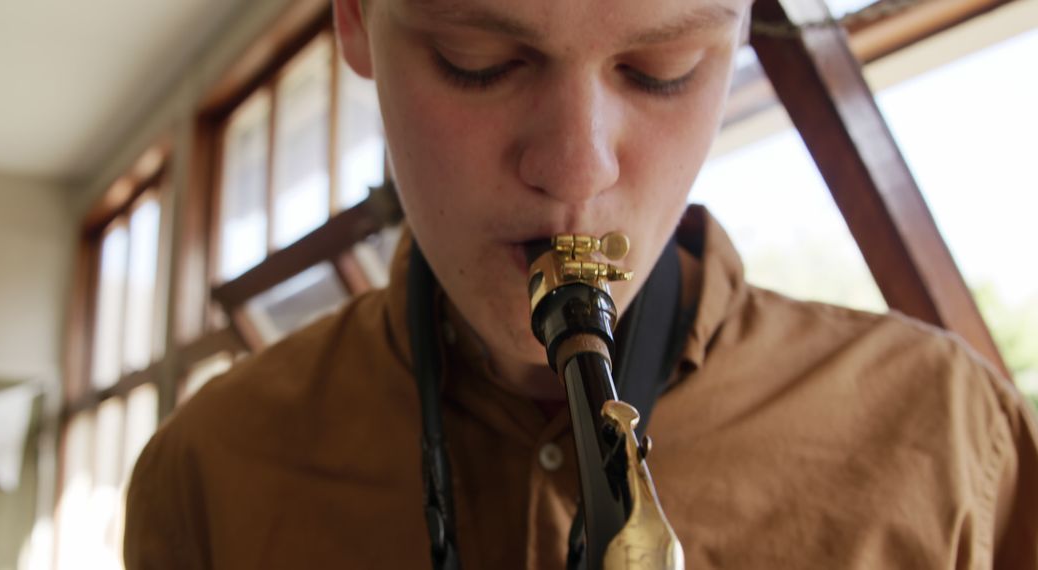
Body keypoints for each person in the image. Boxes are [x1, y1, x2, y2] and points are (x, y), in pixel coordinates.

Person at [123, 0, 1038, 568]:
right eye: (477, 61)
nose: (576, 169)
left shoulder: (954, 439)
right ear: (355, 16)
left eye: (663, 71)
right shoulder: (207, 476)